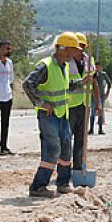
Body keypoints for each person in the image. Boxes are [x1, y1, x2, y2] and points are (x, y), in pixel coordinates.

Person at [23, 32, 81, 198]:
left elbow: (64, 87)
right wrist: (41, 103)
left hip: (62, 115)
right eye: (72, 50)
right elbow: (28, 84)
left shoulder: (63, 66)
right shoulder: (46, 65)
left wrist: (80, 83)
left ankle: (63, 183)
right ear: (62, 49)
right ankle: (38, 186)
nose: (74, 53)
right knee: (53, 149)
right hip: (48, 116)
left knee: (65, 149)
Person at [68, 33, 100, 171]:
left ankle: (78, 167)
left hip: (84, 105)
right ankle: (64, 167)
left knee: (81, 138)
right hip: (69, 105)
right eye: (77, 46)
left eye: (82, 46)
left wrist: (98, 103)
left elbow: (94, 82)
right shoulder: (66, 61)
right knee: (66, 138)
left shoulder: (89, 60)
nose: (79, 49)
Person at [89, 68, 112, 135]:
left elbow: (109, 83)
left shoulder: (103, 74)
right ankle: (91, 129)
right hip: (93, 97)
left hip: (101, 96)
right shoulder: (92, 74)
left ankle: (100, 129)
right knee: (92, 113)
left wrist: (107, 93)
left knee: (100, 113)